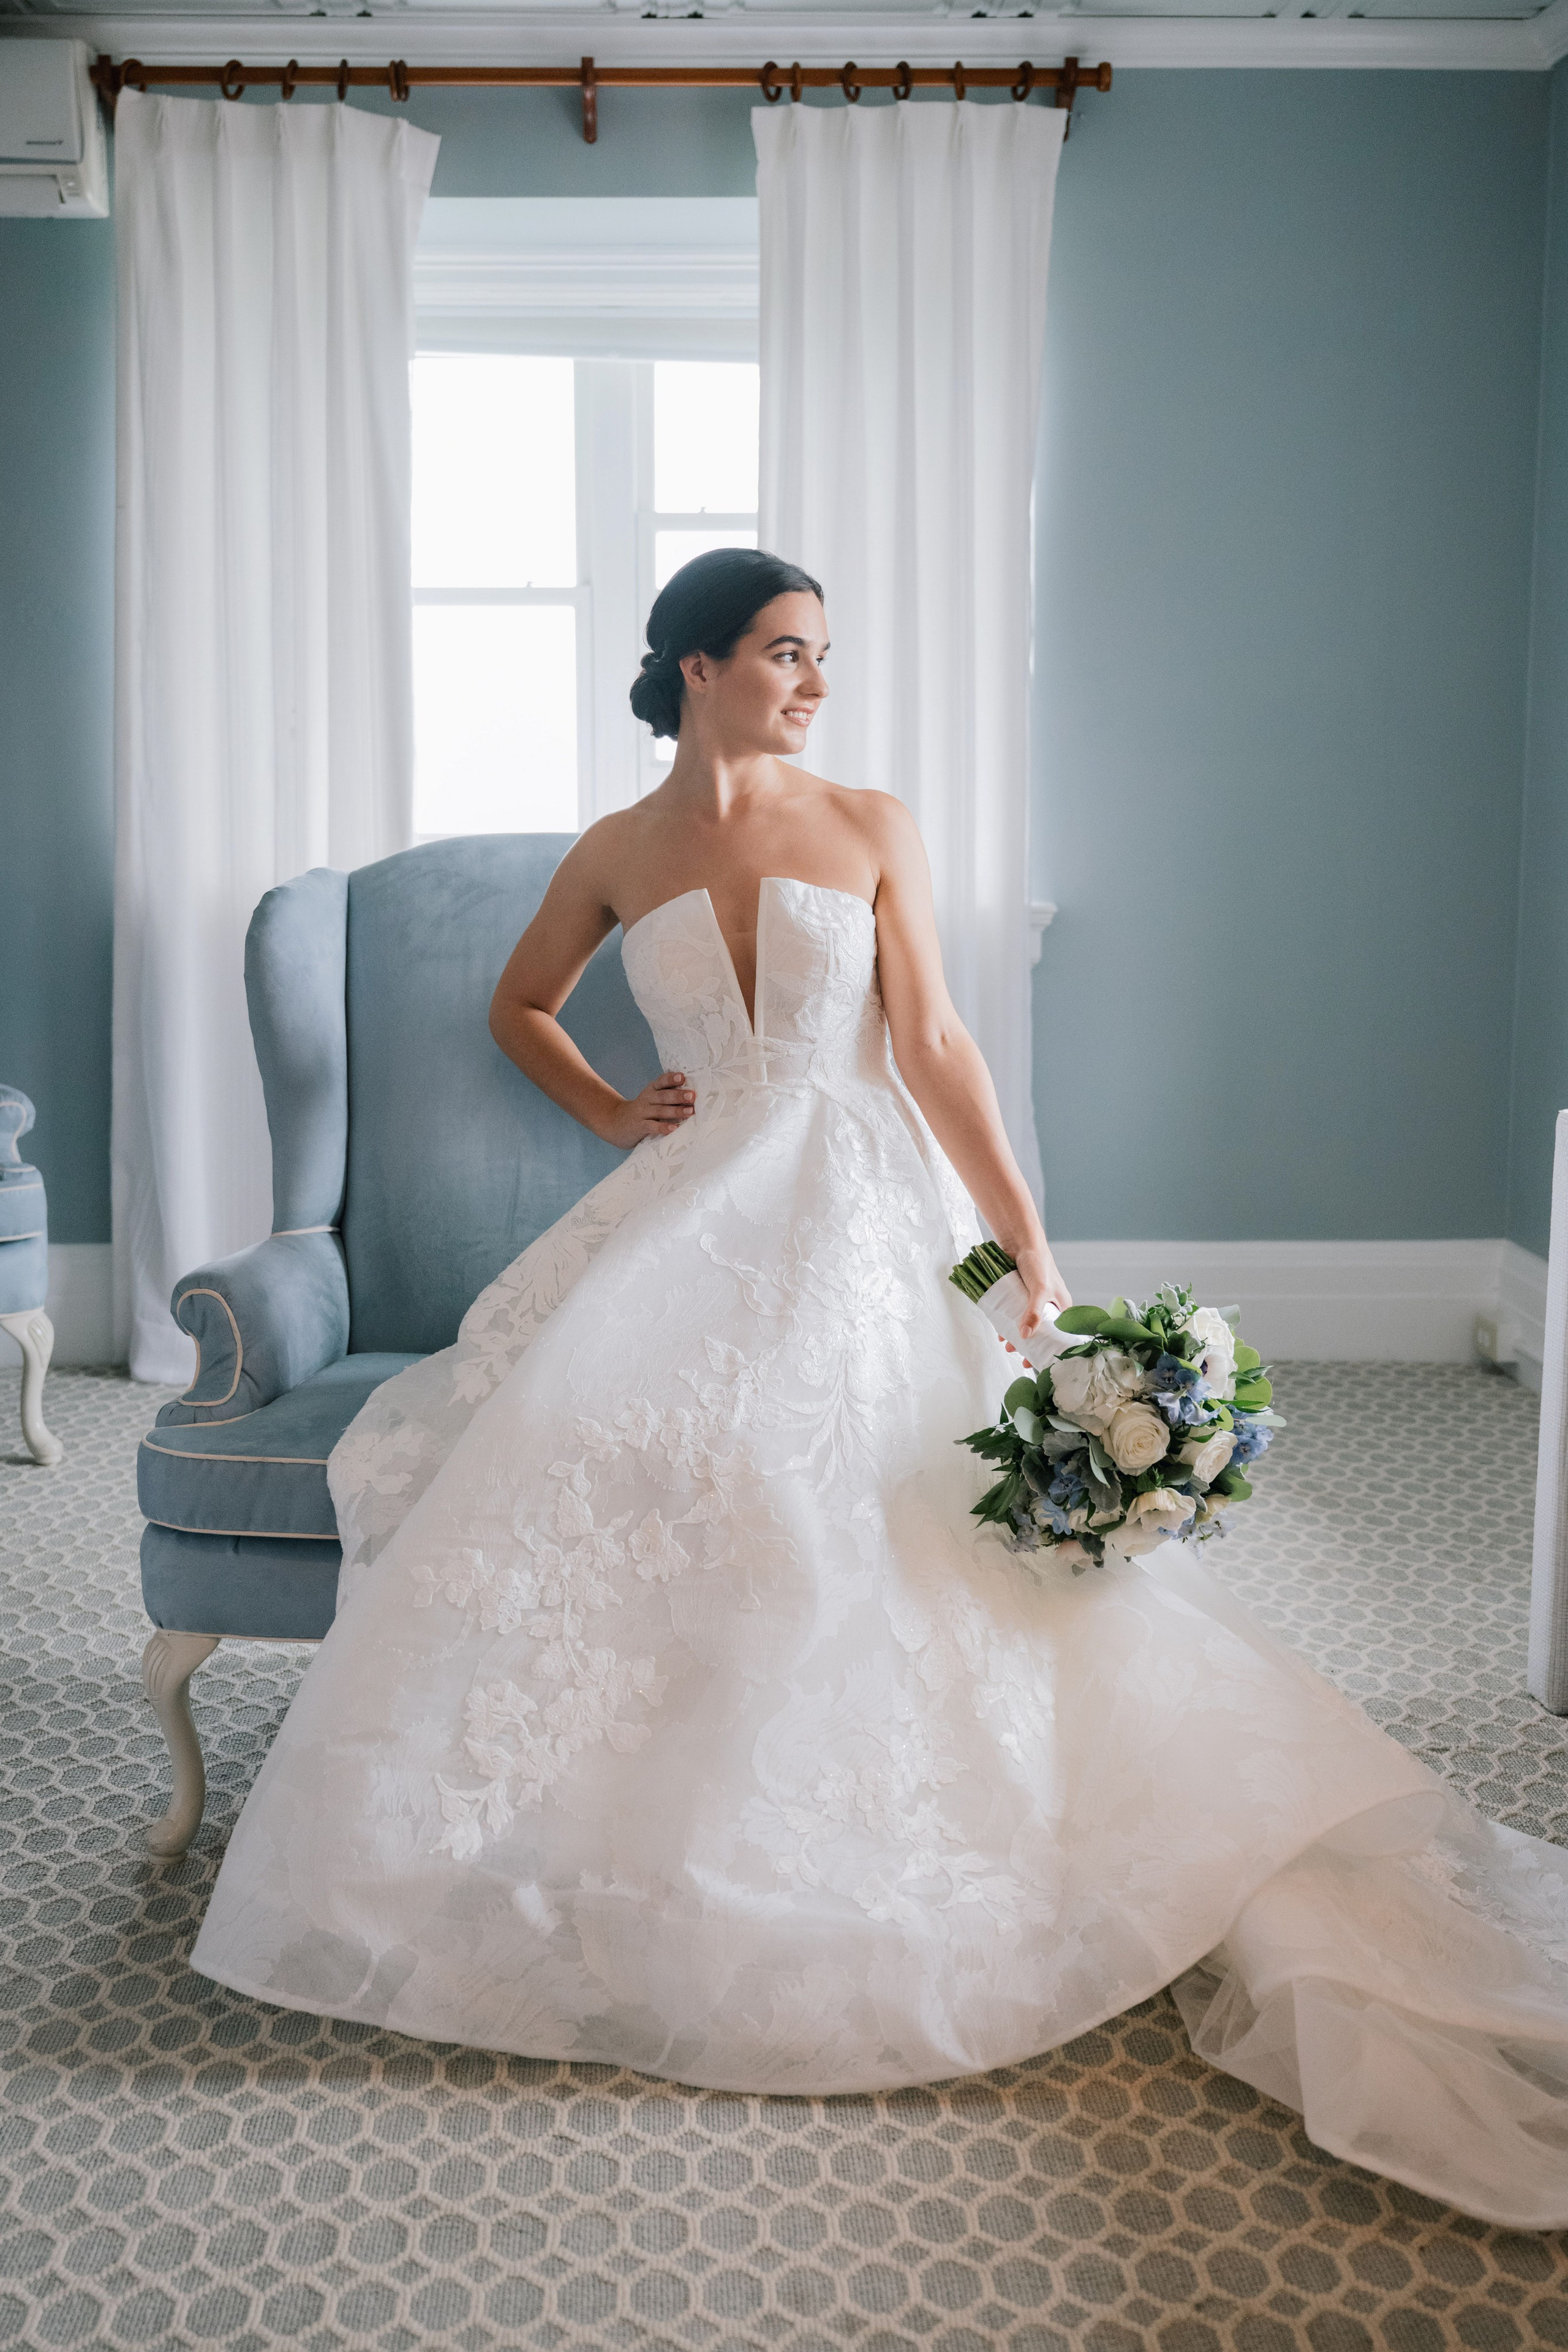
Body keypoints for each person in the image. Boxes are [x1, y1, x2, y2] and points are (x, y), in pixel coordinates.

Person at [192, 550, 1568, 2230]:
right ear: (697, 667)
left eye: (823, 655)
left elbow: (935, 1049)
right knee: (590, 1450)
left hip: (874, 1208)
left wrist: (1025, 1247)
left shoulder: (871, 820)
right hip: (691, 1208)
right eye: (785, 653)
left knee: (866, 1483)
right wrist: (612, 1110)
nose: (815, 682)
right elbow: (517, 1003)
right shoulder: (621, 850)